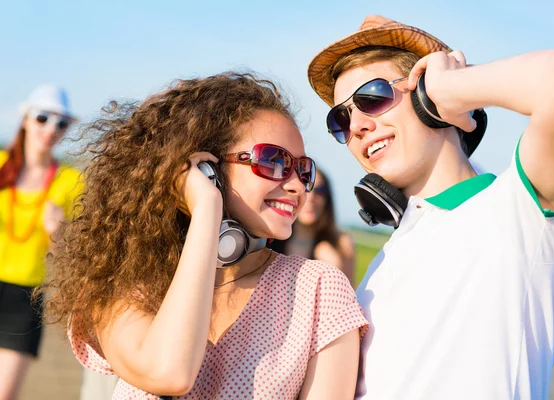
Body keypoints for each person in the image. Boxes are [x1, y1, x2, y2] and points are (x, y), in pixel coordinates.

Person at [307, 14, 554, 399]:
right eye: (341, 118)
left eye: (372, 97)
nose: (357, 124)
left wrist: (454, 87)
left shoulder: (519, 212)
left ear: (427, 97)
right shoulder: (385, 262)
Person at [42, 72, 368, 399]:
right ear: (208, 169)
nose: (298, 185)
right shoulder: (124, 280)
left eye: (303, 169)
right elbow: (167, 372)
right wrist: (207, 208)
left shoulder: (320, 289)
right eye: (273, 161)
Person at [0, 84, 83, 399]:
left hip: (25, 298)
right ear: (25, 118)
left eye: (61, 123)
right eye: (43, 118)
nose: (51, 129)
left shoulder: (72, 182)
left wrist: (57, 232)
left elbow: (67, 257)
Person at [269, 167, 356, 285]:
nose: (311, 199)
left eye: (319, 191)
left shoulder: (342, 243)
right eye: (305, 189)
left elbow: (351, 297)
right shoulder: (269, 239)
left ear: (327, 199)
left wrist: (336, 269)